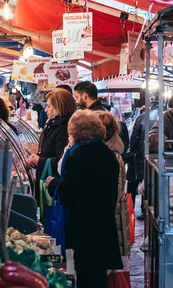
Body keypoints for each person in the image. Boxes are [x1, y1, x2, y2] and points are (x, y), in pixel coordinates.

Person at [45, 110, 122, 287]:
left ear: (75, 131)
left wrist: (53, 183)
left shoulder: (77, 156)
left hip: (84, 229)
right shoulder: (107, 154)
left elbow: (68, 195)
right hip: (103, 226)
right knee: (98, 276)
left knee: (84, 276)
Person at [28, 90, 76, 204]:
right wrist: (36, 158)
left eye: (49, 106)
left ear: (59, 107)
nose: (45, 110)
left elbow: (62, 160)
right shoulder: (52, 124)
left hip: (54, 184)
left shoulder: (63, 128)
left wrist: (39, 160)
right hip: (47, 180)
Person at [97, 112, 131, 266]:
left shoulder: (110, 155)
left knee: (111, 269)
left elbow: (114, 194)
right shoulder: (112, 151)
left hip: (112, 219)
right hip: (113, 218)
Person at [127, 95, 159, 219]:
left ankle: (130, 212)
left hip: (139, 158)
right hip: (157, 159)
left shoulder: (142, 117)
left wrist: (132, 152)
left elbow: (134, 139)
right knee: (150, 186)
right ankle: (146, 212)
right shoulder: (167, 117)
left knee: (133, 185)